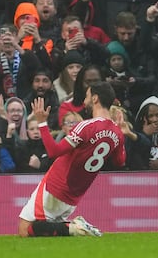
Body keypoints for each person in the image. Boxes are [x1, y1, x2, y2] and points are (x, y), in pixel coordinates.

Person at [18, 81, 126, 237]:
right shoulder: (117, 132)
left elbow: (54, 152)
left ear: (95, 98)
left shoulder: (86, 126)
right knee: (49, 231)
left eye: (87, 95)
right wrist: (121, 132)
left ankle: (74, 227)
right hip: (75, 193)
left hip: (57, 184)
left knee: (25, 229)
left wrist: (42, 122)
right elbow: (120, 162)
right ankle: (71, 228)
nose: (84, 100)